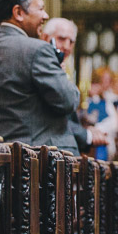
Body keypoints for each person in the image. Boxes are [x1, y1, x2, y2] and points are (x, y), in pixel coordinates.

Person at [0, 0, 81, 154]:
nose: (45, 16)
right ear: (19, 13)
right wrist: (60, 71)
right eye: (40, 9)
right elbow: (68, 100)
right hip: (41, 162)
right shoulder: (38, 50)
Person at [41, 16, 108, 153]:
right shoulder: (42, 66)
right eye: (61, 39)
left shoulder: (61, 68)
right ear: (45, 37)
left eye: (71, 42)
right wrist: (86, 135)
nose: (66, 46)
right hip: (47, 150)